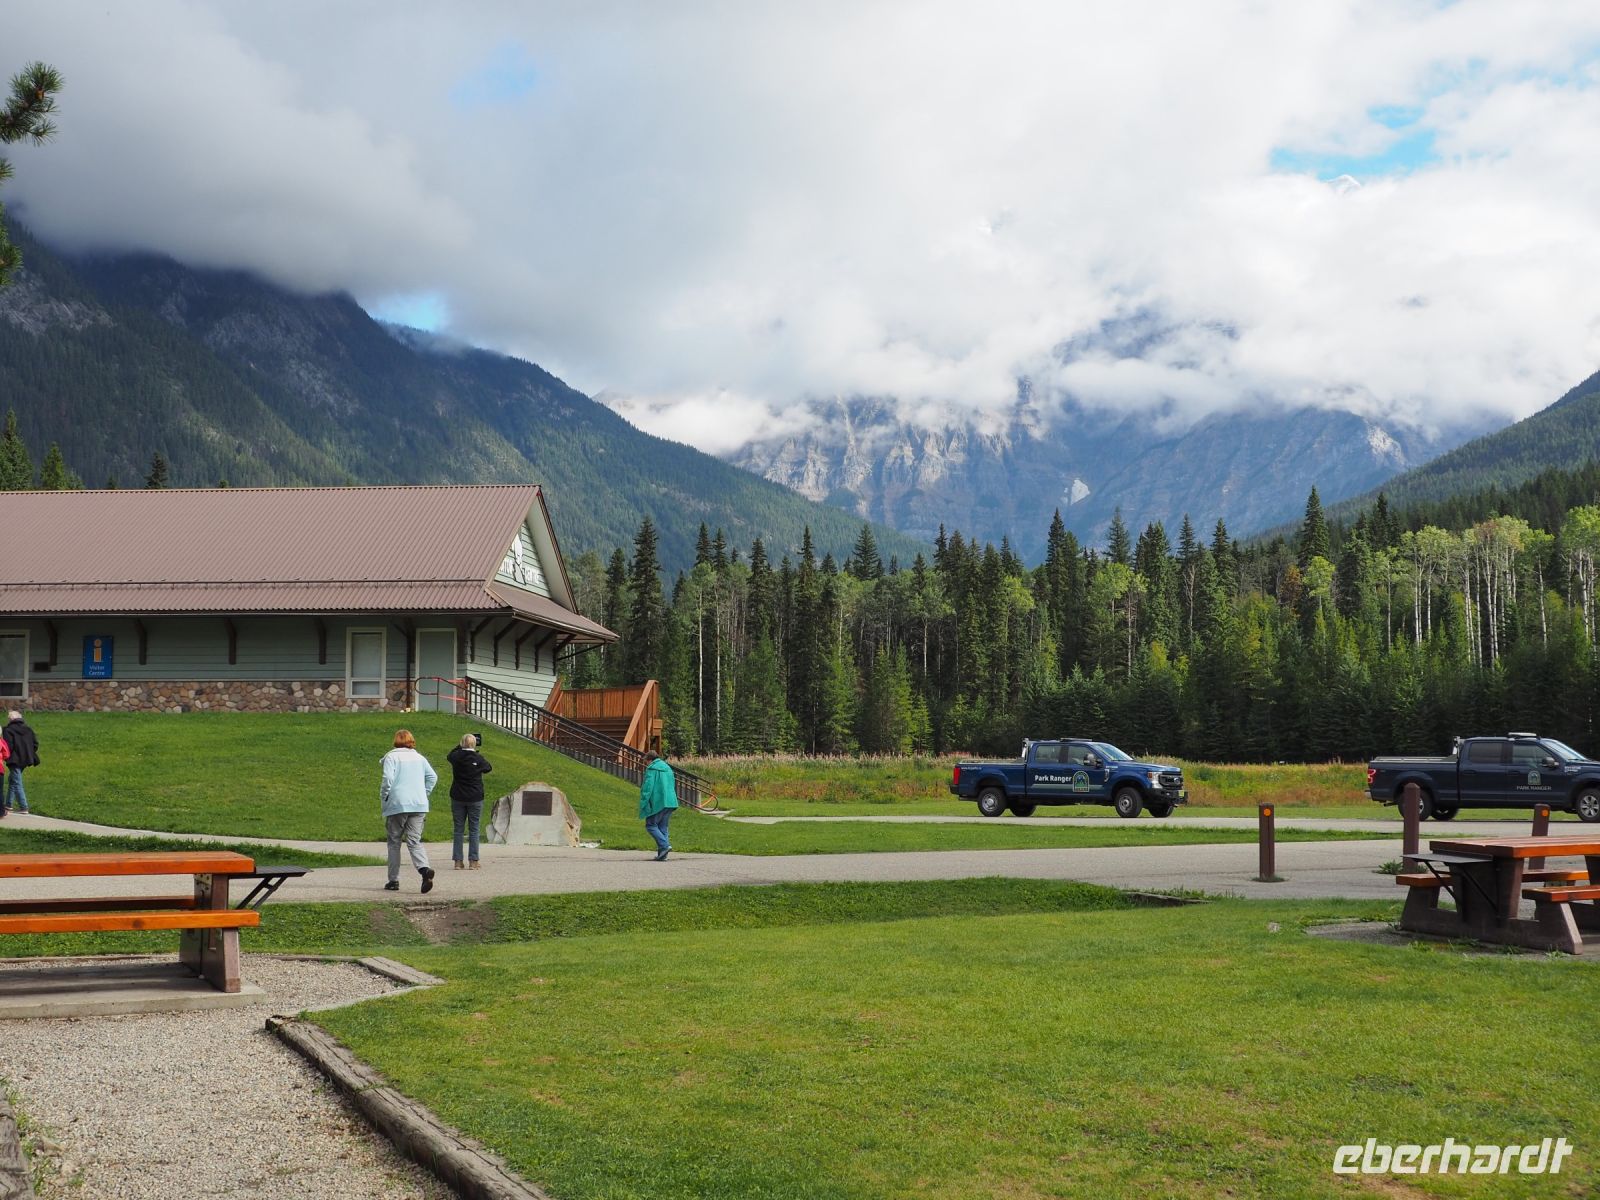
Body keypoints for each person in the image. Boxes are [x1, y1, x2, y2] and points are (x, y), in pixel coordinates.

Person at [380, 729, 437, 893]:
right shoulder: (419, 758)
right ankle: (424, 870)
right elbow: (432, 777)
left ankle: (393, 880)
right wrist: (424, 793)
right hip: (419, 804)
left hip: (398, 803)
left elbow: (388, 779)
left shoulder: (391, 757)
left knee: (394, 841)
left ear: (395, 741)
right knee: (414, 840)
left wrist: (385, 795)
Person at [446, 732, 493, 870]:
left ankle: (458, 861)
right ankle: (473, 861)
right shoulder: (478, 758)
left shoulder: (456, 757)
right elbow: (488, 768)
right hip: (475, 797)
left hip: (458, 796)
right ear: (474, 744)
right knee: (474, 829)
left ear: (461, 744)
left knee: (458, 830)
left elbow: (449, 755)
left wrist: (460, 746)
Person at [638, 751, 678, 861]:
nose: (646, 764)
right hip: (670, 801)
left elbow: (648, 786)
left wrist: (644, 799)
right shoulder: (667, 768)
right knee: (662, 827)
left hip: (658, 801)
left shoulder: (652, 769)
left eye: (646, 761)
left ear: (650, 759)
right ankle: (663, 854)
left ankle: (665, 846)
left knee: (650, 825)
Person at [1, 711, 37, 815]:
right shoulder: (28, 729)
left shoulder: (8, 730)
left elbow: (9, 746)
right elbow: (35, 744)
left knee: (17, 782)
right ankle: (8, 805)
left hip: (14, 760)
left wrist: (7, 757)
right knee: (13, 780)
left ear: (10, 719)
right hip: (26, 759)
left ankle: (24, 806)